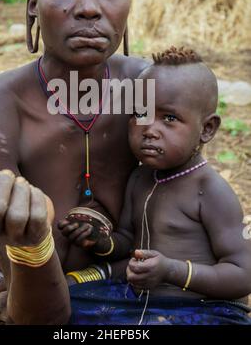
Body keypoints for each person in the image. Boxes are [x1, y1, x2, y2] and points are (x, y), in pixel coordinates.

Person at [0, 0, 148, 325]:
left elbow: (186, 222)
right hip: (34, 286)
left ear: (128, 5)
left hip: (138, 279)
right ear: (32, 5)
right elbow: (36, 296)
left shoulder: (151, 90)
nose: (89, 8)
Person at [59, 47, 251, 325]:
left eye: (169, 118)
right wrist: (101, 242)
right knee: (60, 304)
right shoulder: (140, 179)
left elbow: (243, 274)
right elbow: (127, 241)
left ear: (207, 129)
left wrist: (171, 271)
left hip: (206, 310)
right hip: (141, 303)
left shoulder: (210, 190)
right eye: (140, 114)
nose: (149, 129)